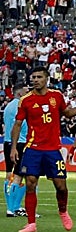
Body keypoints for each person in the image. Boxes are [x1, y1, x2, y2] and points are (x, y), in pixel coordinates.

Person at [14, 65, 76, 232]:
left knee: (61, 186)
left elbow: (67, 113)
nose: (35, 80)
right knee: (30, 183)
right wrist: (14, 148)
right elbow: (17, 124)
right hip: (33, 148)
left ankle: (63, 211)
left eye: (39, 77)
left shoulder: (56, 96)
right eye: (33, 77)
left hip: (53, 149)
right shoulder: (26, 100)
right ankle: (31, 223)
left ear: (47, 79)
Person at [3, 85, 28, 218]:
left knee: (9, 174)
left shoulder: (7, 107)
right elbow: (22, 125)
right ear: (19, 93)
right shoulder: (21, 106)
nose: (28, 93)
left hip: (7, 142)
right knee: (20, 175)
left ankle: (10, 207)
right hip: (20, 143)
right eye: (26, 91)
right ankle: (15, 207)